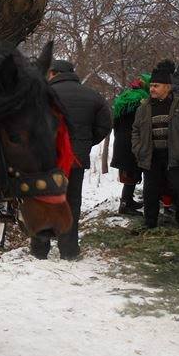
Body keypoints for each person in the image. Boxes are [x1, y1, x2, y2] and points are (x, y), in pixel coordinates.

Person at [29, 60, 111, 260]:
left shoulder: (41, 96)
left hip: (46, 161)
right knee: (71, 202)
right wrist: (86, 142)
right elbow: (105, 125)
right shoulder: (93, 96)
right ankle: (69, 250)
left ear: (53, 74)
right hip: (76, 159)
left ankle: (40, 249)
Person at [131, 65, 179, 228]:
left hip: (177, 156)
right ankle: (150, 224)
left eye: (156, 86)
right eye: (151, 86)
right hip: (152, 157)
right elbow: (135, 130)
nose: (152, 89)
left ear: (168, 87)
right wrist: (138, 149)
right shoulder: (143, 108)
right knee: (150, 191)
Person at [110, 74, 149, 215]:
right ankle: (125, 205)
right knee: (132, 172)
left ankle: (127, 201)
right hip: (133, 141)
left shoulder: (123, 98)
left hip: (121, 141)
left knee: (129, 173)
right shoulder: (142, 100)